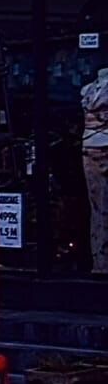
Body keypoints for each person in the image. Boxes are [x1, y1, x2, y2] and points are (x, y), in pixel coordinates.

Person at [81, 67, 108, 276]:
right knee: (98, 207)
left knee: (99, 207)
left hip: (94, 146)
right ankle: (100, 262)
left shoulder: (90, 92)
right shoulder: (89, 90)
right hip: (92, 148)